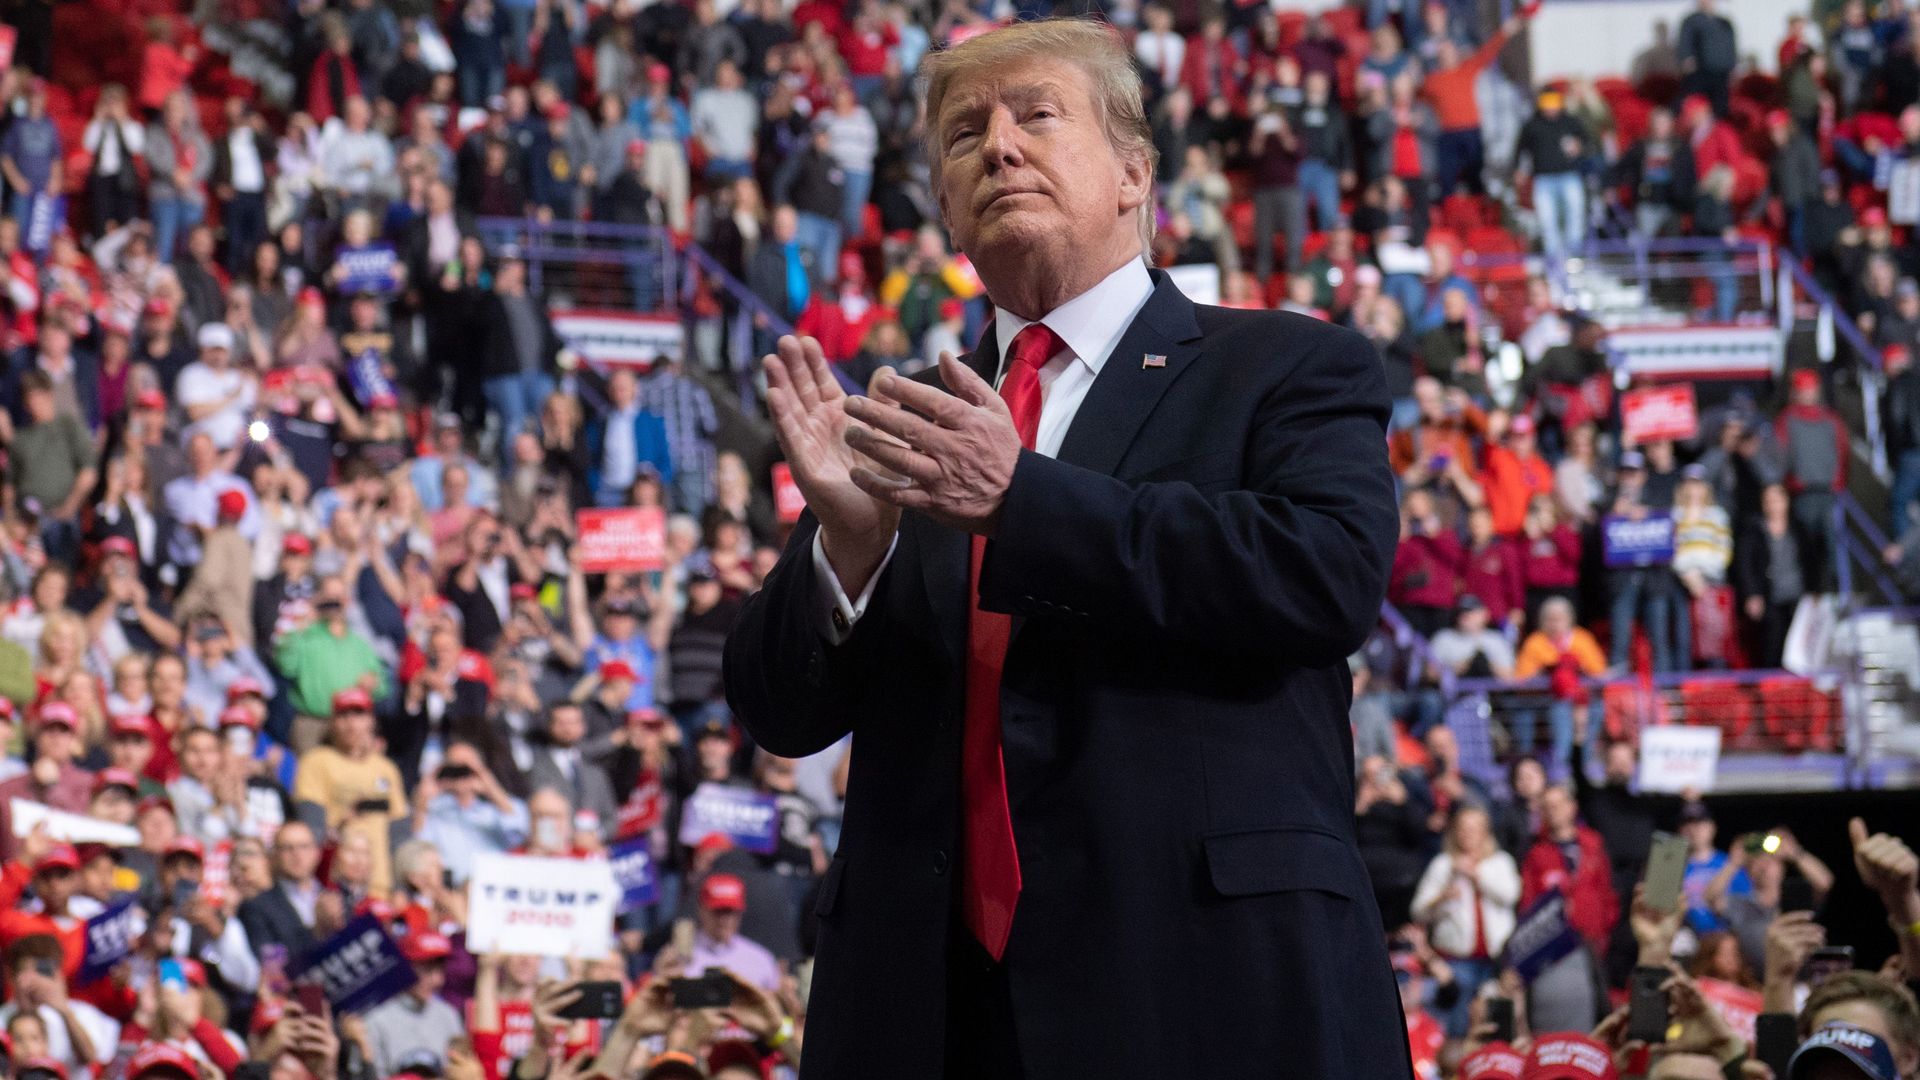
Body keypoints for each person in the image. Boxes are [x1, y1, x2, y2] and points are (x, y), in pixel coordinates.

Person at [725, 19, 1409, 1079]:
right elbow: (779, 710)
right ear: (947, 208)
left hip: (1201, 992)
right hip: (928, 1016)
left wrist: (1022, 500)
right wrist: (847, 556)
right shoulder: (916, 421)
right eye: (964, 136)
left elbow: (1325, 577)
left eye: (1035, 115)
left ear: (1136, 170)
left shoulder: (1285, 365)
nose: (996, 147)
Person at [1409, 805, 1518, 1038]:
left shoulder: (1499, 862)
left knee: (1496, 1029)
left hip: (1496, 961)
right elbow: (1418, 912)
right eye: (1463, 829)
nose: (1468, 834)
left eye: (1474, 829)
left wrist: (1477, 875)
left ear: (1485, 833)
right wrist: (1442, 897)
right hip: (1457, 963)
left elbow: (1511, 894)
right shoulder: (1443, 865)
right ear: (1455, 832)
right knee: (1456, 1028)